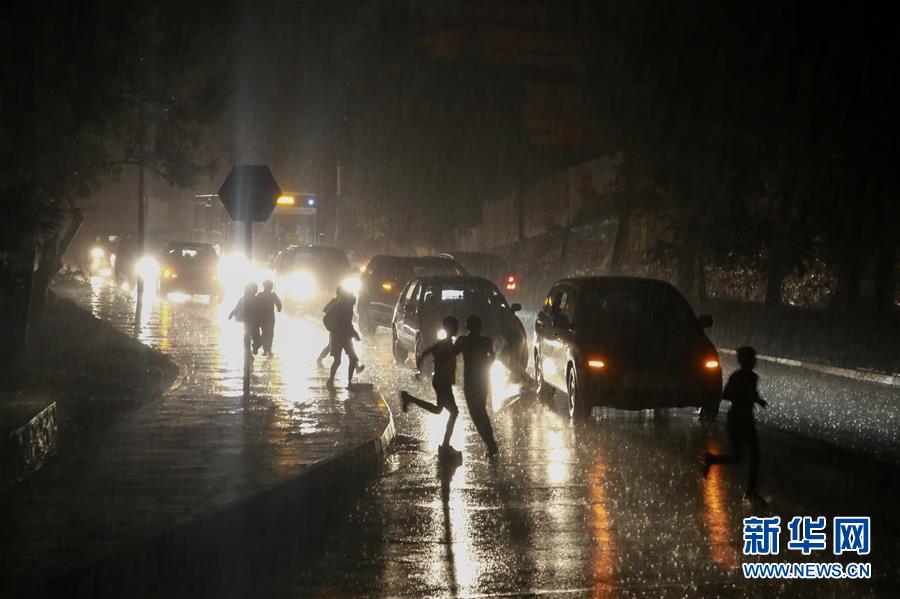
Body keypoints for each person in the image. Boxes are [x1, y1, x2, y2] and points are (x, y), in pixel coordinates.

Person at [703, 346, 767, 503]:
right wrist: (746, 397)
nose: (754, 361)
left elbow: (750, 394)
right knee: (752, 456)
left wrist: (756, 399)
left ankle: (712, 460)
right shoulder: (739, 377)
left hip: (743, 419)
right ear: (744, 360)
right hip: (739, 419)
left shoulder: (751, 377)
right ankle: (751, 492)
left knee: (741, 457)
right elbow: (726, 394)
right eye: (751, 358)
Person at [400, 316, 461, 458]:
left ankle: (409, 398)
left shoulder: (442, 344)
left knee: (441, 410)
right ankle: (445, 446)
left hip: (440, 380)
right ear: (451, 329)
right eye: (455, 326)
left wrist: (418, 370)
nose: (457, 329)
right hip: (443, 382)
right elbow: (426, 355)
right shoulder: (447, 345)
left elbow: (424, 354)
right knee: (453, 412)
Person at [453, 315, 498, 457]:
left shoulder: (463, 341)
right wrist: (486, 365)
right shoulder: (486, 341)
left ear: (467, 327)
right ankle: (490, 443)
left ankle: (491, 444)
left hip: (471, 381)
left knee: (476, 413)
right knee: (481, 412)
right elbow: (492, 356)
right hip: (482, 380)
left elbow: (451, 353)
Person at [324, 288, 362, 389]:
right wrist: (333, 329)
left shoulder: (347, 307)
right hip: (339, 337)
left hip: (345, 337)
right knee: (338, 361)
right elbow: (326, 319)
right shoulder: (338, 307)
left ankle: (348, 383)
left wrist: (354, 334)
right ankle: (331, 381)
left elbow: (347, 324)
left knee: (351, 359)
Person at [228, 282, 262, 357]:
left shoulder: (257, 299)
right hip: (249, 321)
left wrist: (232, 314)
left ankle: (254, 347)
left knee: (254, 338)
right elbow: (237, 308)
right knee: (248, 337)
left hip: (253, 322)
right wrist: (232, 313)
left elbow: (262, 310)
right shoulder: (245, 299)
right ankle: (249, 351)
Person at [255, 279, 282, 356]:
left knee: (264, 332)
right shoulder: (273, 295)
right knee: (270, 333)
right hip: (269, 317)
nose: (271, 287)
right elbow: (279, 304)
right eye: (271, 286)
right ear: (269, 286)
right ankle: (267, 349)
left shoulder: (260, 295)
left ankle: (265, 349)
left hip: (262, 317)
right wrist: (279, 309)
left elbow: (255, 305)